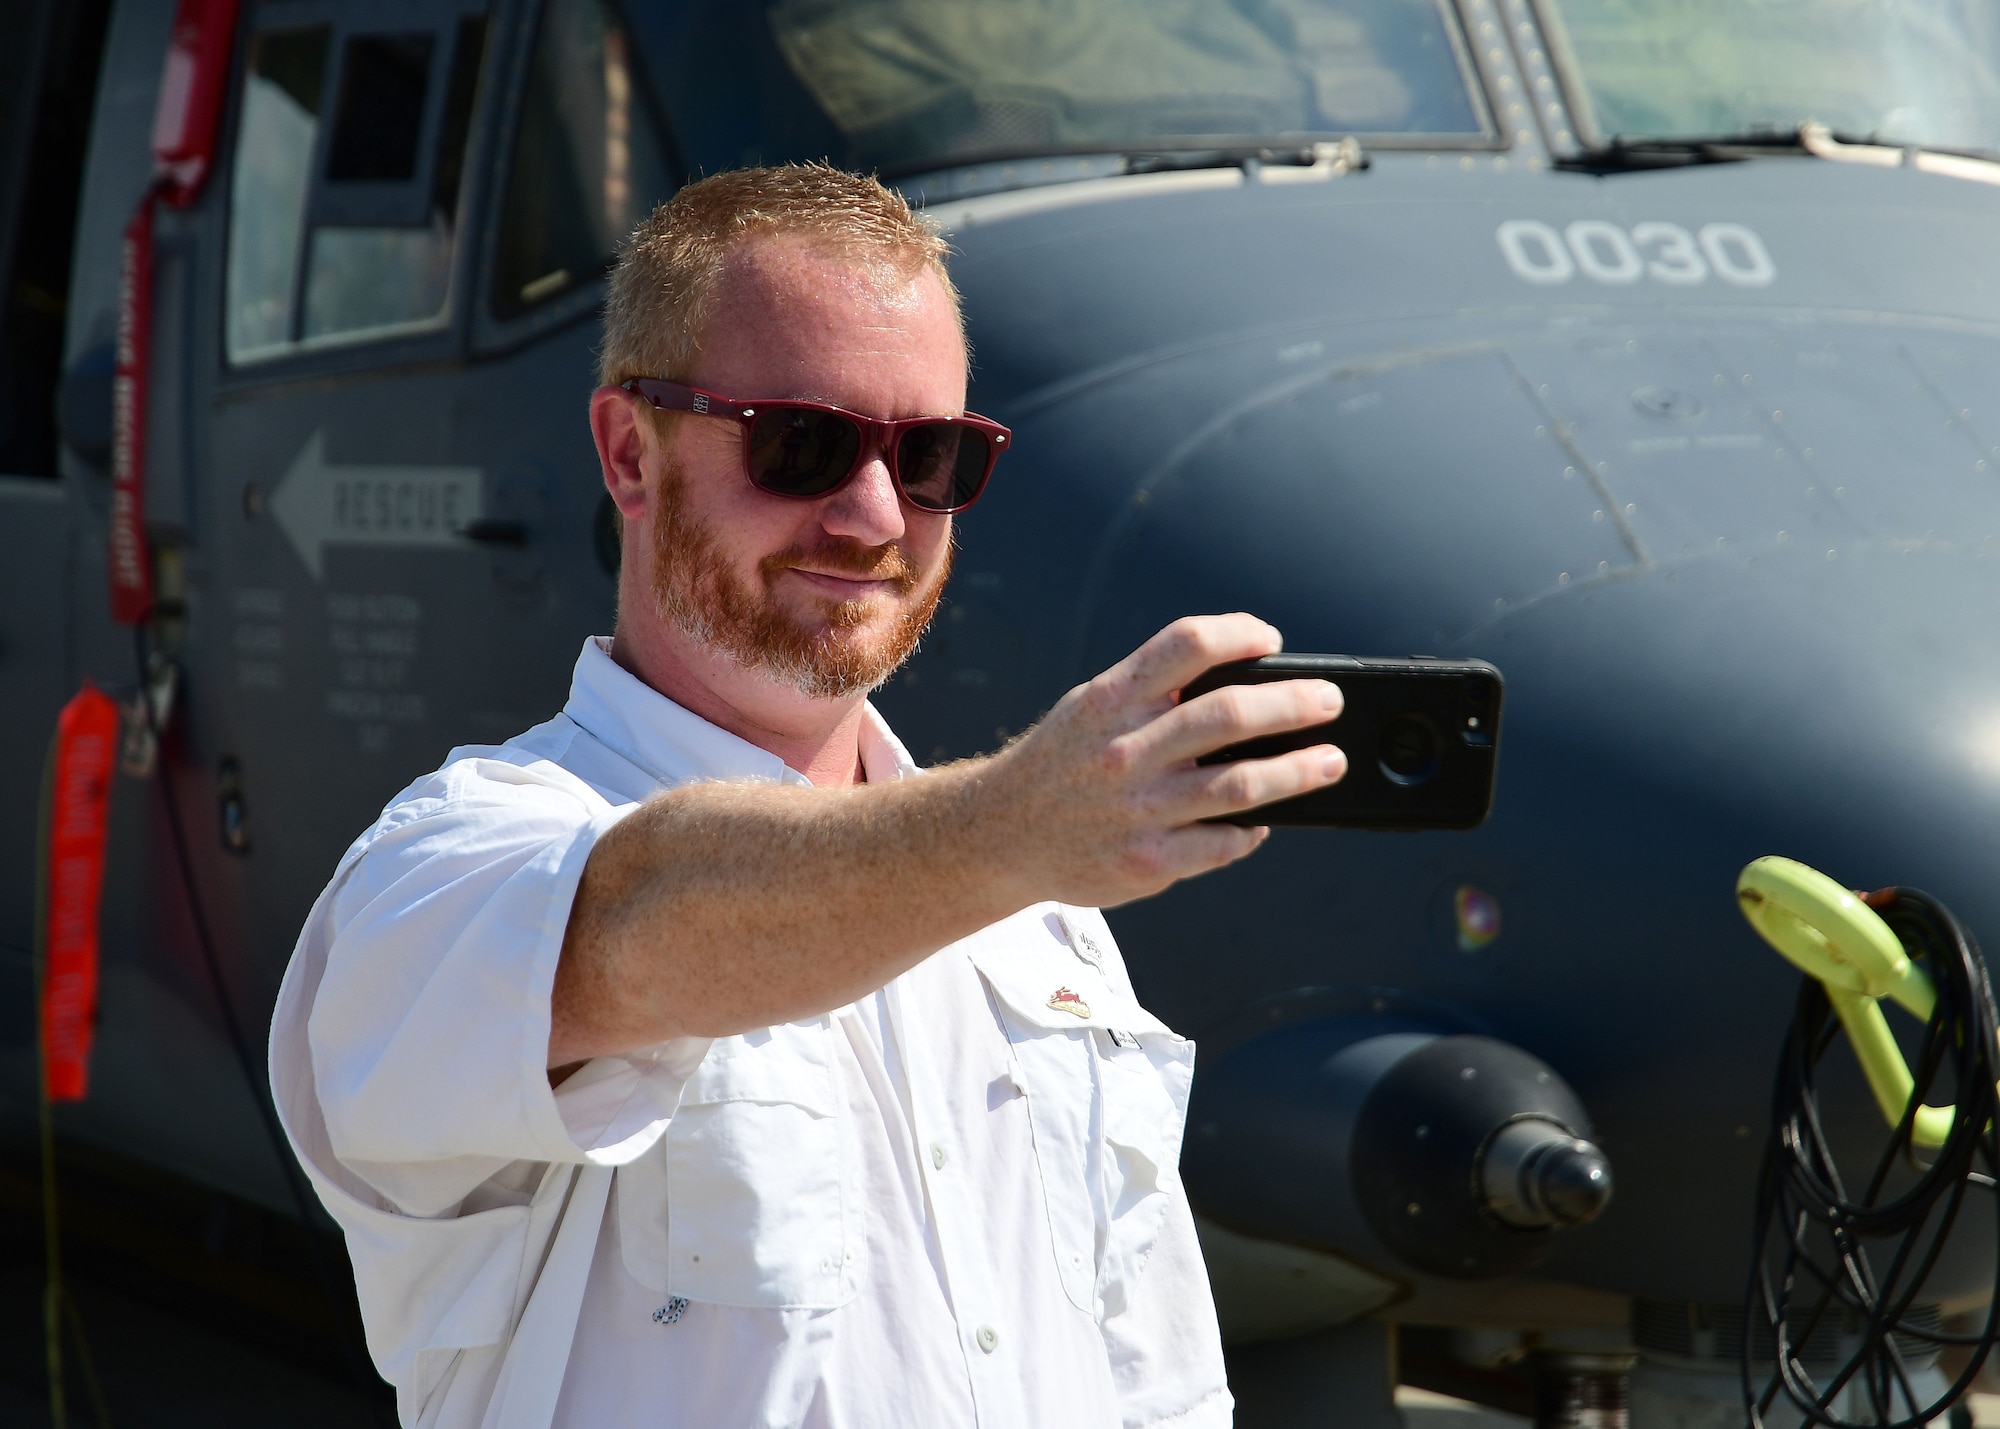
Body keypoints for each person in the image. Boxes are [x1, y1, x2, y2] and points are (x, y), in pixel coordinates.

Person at [269, 162, 1347, 1429]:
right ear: (629, 451)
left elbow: (1154, 1385)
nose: (874, 512)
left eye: (932, 454)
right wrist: (1006, 832)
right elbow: (630, 929)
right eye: (803, 442)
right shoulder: (447, 865)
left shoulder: (1039, 917)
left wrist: (1008, 848)